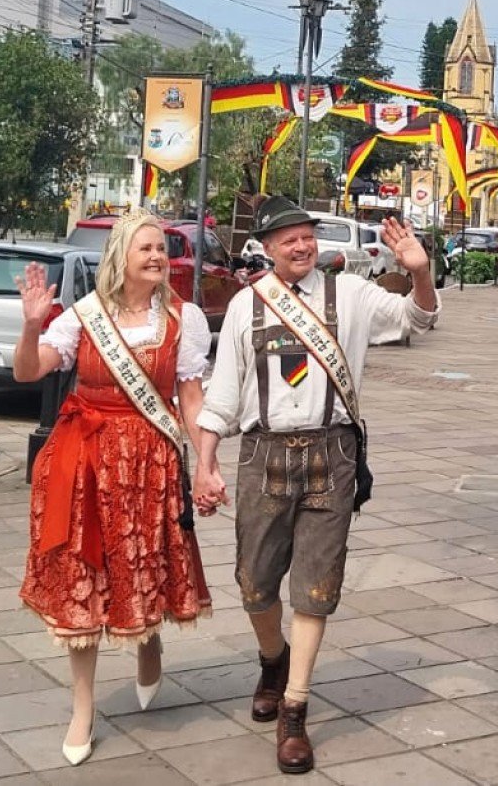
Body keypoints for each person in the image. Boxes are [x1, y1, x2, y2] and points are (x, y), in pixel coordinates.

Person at [193, 196, 438, 775]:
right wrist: (205, 464)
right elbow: (222, 395)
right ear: (267, 249)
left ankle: (295, 709)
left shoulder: (349, 293)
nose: (300, 246)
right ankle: (272, 660)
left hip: (333, 452)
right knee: (255, 585)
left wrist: (420, 272)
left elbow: (416, 319)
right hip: (262, 453)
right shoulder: (245, 306)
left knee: (317, 587)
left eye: (306, 235)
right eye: (288, 239)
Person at [10, 209, 213, 766]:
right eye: (144, 248)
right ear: (120, 256)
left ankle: (148, 642)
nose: (155, 257)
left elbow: (191, 401)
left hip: (149, 465)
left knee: (140, 567)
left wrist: (208, 463)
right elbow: (29, 372)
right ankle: (83, 707)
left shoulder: (182, 319)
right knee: (85, 578)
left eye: (160, 249)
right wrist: (31, 326)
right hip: (83, 465)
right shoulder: (84, 316)